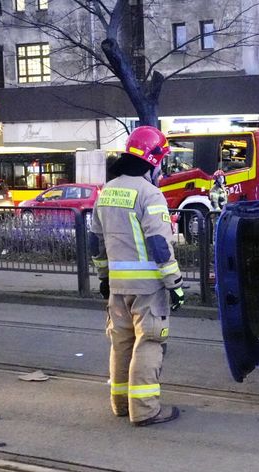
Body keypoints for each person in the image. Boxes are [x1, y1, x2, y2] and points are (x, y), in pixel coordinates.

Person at [89, 126, 185, 427]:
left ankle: (120, 404)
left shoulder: (107, 192)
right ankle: (144, 410)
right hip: (147, 287)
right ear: (153, 160)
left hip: (117, 286)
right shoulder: (149, 193)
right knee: (150, 343)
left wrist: (104, 276)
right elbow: (159, 244)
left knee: (122, 343)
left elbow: (96, 242)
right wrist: (176, 285)